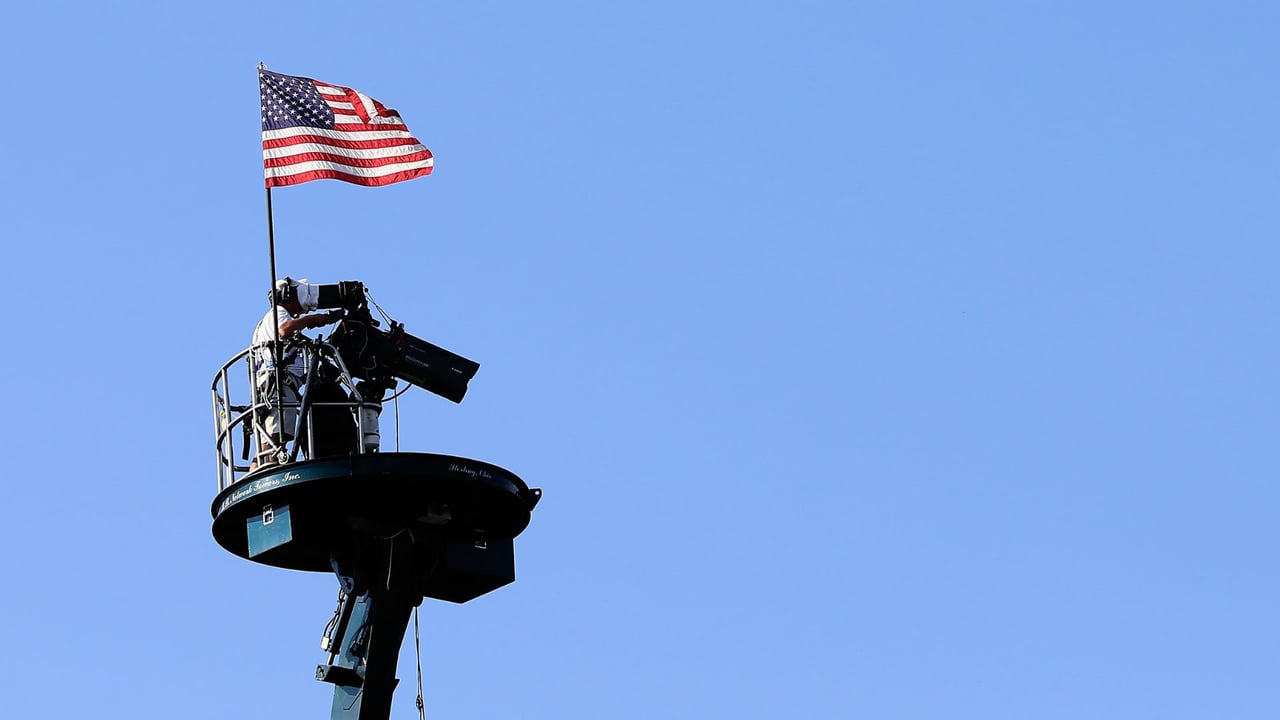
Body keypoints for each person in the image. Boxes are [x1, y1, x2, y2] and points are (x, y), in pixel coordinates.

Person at [251, 278, 345, 468]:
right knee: (276, 437)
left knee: (267, 439)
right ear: (286, 294)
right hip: (278, 385)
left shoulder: (266, 322)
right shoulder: (279, 314)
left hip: (271, 387)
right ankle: (268, 469)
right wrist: (311, 319)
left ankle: (257, 469)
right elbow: (284, 331)